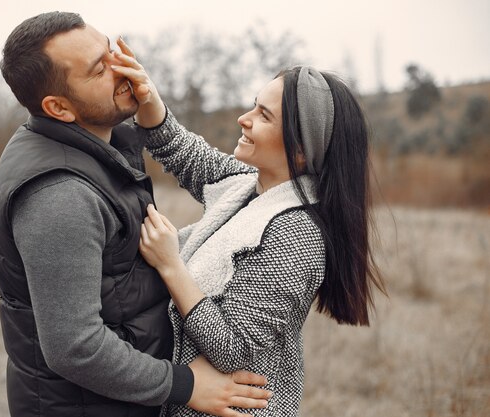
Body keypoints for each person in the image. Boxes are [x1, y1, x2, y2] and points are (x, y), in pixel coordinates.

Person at [0, 11, 271, 417]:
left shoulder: (101, 145)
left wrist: (152, 111)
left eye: (111, 50)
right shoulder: (60, 195)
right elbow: (75, 348)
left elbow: (243, 180)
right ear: (58, 107)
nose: (123, 70)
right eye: (99, 69)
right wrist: (185, 385)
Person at [116, 52, 386, 415]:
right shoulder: (248, 186)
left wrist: (170, 266)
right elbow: (183, 151)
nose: (244, 119)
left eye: (264, 115)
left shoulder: (296, 233)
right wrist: (148, 99)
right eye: (253, 106)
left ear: (302, 150)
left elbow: (234, 348)